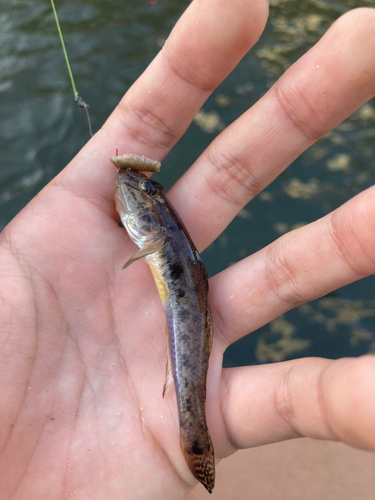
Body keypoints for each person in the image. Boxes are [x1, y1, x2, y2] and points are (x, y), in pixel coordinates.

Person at [1, 1, 374, 498]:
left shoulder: (158, 239)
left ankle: (193, 436)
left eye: (149, 197)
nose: (139, 192)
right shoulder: (159, 236)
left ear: (156, 226)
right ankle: (193, 437)